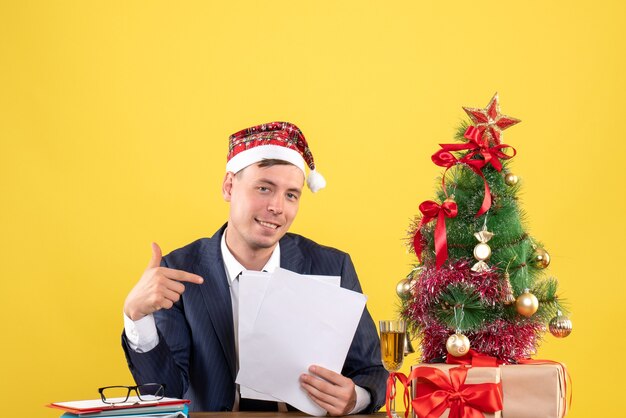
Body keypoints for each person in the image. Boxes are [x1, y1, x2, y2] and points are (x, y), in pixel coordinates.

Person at [121, 122, 388, 415]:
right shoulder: (178, 271)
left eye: (291, 195)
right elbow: (166, 392)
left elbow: (371, 370)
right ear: (229, 186)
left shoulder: (332, 266)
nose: (277, 207)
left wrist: (355, 399)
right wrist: (137, 317)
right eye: (264, 188)